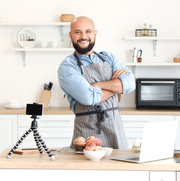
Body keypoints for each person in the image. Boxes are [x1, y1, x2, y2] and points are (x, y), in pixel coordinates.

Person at [58, 16, 135, 149]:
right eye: (78, 32)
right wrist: (115, 85)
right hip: (86, 132)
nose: (83, 36)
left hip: (115, 128)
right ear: (71, 35)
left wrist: (98, 85)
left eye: (88, 31)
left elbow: (130, 84)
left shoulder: (108, 57)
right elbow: (89, 98)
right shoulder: (67, 67)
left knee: (120, 169)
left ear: (95, 34)